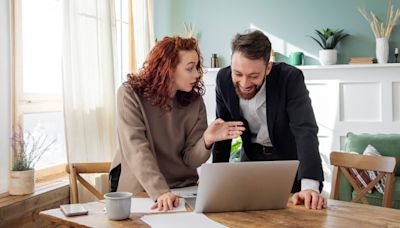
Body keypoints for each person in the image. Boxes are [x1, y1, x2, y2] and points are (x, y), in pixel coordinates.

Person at [109, 36, 245, 211]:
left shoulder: (195, 102)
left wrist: (206, 140)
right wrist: (160, 192)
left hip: (184, 190)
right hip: (144, 191)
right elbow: (137, 149)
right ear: (168, 69)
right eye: (190, 68)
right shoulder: (129, 94)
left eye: (197, 67)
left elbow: (190, 159)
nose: (197, 74)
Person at [212, 30, 327, 210]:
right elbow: (223, 132)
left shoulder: (290, 79)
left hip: (288, 162)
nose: (244, 83)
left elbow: (305, 130)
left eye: (253, 76)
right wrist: (216, 184)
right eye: (238, 74)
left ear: (268, 68)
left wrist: (310, 187)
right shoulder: (223, 80)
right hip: (251, 160)